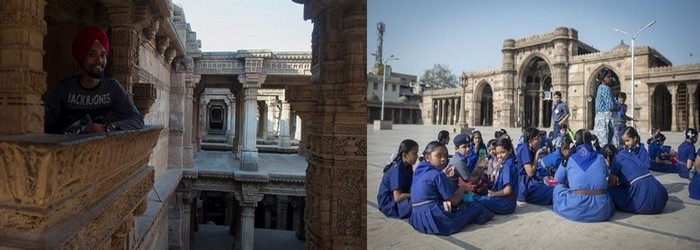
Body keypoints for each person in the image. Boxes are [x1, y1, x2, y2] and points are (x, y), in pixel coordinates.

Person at [44, 26, 144, 134]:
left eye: (103, 55)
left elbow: (137, 120)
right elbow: (41, 123)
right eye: (92, 54)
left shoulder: (111, 87)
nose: (99, 60)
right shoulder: (63, 88)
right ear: (82, 57)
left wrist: (107, 128)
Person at [409, 141, 494, 235]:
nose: (443, 159)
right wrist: (463, 188)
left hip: (417, 218)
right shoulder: (438, 173)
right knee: (474, 207)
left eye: (445, 156)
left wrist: (443, 174)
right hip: (433, 218)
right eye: (439, 156)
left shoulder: (420, 168)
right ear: (428, 157)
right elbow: (454, 200)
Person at [552, 129, 615, 222]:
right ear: (591, 142)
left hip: (576, 208)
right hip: (602, 210)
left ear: (575, 142)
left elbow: (557, 180)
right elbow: (607, 177)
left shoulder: (570, 158)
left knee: (558, 188)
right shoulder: (600, 157)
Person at [607, 127, 668, 214]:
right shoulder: (637, 152)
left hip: (643, 199)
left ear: (635, 138)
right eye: (624, 141)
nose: (625, 144)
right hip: (660, 196)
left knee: (611, 191)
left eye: (627, 140)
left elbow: (612, 183)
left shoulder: (619, 157)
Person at [473, 136, 518, 214]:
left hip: (505, 203)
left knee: (474, 200)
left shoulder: (507, 166)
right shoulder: (507, 163)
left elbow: (507, 190)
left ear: (510, 151)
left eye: (502, 152)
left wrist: (493, 194)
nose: (499, 156)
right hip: (508, 203)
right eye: (498, 153)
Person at [377, 139, 419, 219]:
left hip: (399, 198)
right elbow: (397, 197)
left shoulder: (408, 166)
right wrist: (415, 195)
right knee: (420, 203)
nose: (417, 156)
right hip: (389, 204)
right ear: (405, 155)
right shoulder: (397, 169)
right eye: (414, 153)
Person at [516, 127, 554, 205]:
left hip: (529, 182)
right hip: (525, 186)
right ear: (530, 141)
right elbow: (530, 173)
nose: (539, 140)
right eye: (537, 138)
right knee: (552, 191)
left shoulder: (527, 148)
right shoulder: (524, 149)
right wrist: (537, 155)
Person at [593, 68, 617, 147]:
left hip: (599, 120)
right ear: (603, 78)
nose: (610, 79)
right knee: (608, 143)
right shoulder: (606, 88)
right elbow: (610, 106)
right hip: (606, 120)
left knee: (600, 143)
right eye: (608, 77)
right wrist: (618, 107)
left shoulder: (599, 88)